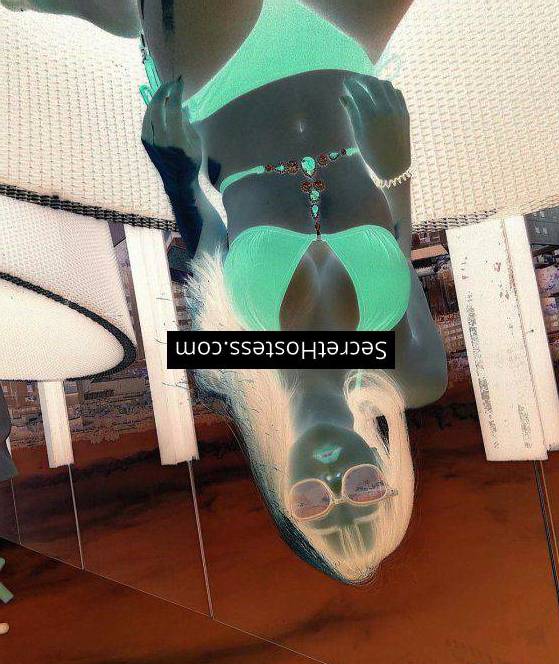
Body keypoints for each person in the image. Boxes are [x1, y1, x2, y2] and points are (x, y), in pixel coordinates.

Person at [1, 0, 447, 583]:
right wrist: (396, 169)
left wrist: (176, 174)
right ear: (389, 475)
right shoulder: (415, 376)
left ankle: (124, 15)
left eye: (316, 504)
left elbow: (206, 242)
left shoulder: (226, 369)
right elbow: (398, 249)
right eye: (362, 491)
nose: (334, 478)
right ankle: (118, 13)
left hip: (226, 81)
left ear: (284, 497)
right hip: (344, 56)